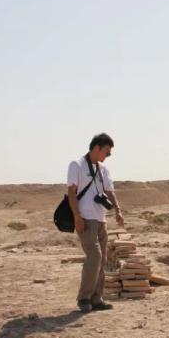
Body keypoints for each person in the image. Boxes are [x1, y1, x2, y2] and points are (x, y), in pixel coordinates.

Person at [67, 133, 124, 313]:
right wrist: (77, 217)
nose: (108, 155)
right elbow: (71, 192)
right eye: (107, 151)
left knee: (102, 258)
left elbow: (110, 191)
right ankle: (84, 298)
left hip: (101, 219)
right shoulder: (77, 165)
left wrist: (118, 210)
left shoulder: (103, 169)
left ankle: (96, 298)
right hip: (85, 219)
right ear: (97, 148)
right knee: (95, 256)